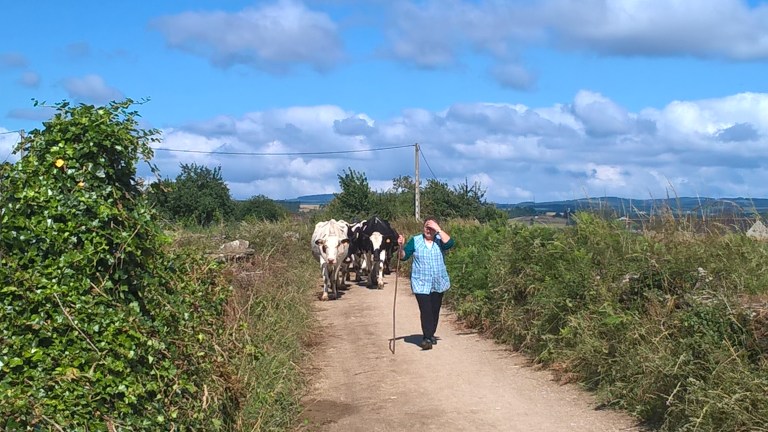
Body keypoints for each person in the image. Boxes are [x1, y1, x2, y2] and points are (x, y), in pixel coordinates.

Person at [397, 218, 455, 350]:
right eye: (426, 227)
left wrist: (438, 229)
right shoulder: (415, 240)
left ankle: (431, 333)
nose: (428, 230)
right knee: (426, 310)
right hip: (421, 282)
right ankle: (427, 338)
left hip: (438, 282)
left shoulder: (440, 241)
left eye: (431, 228)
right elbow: (403, 256)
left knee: (435, 309)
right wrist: (401, 246)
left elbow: (450, 243)